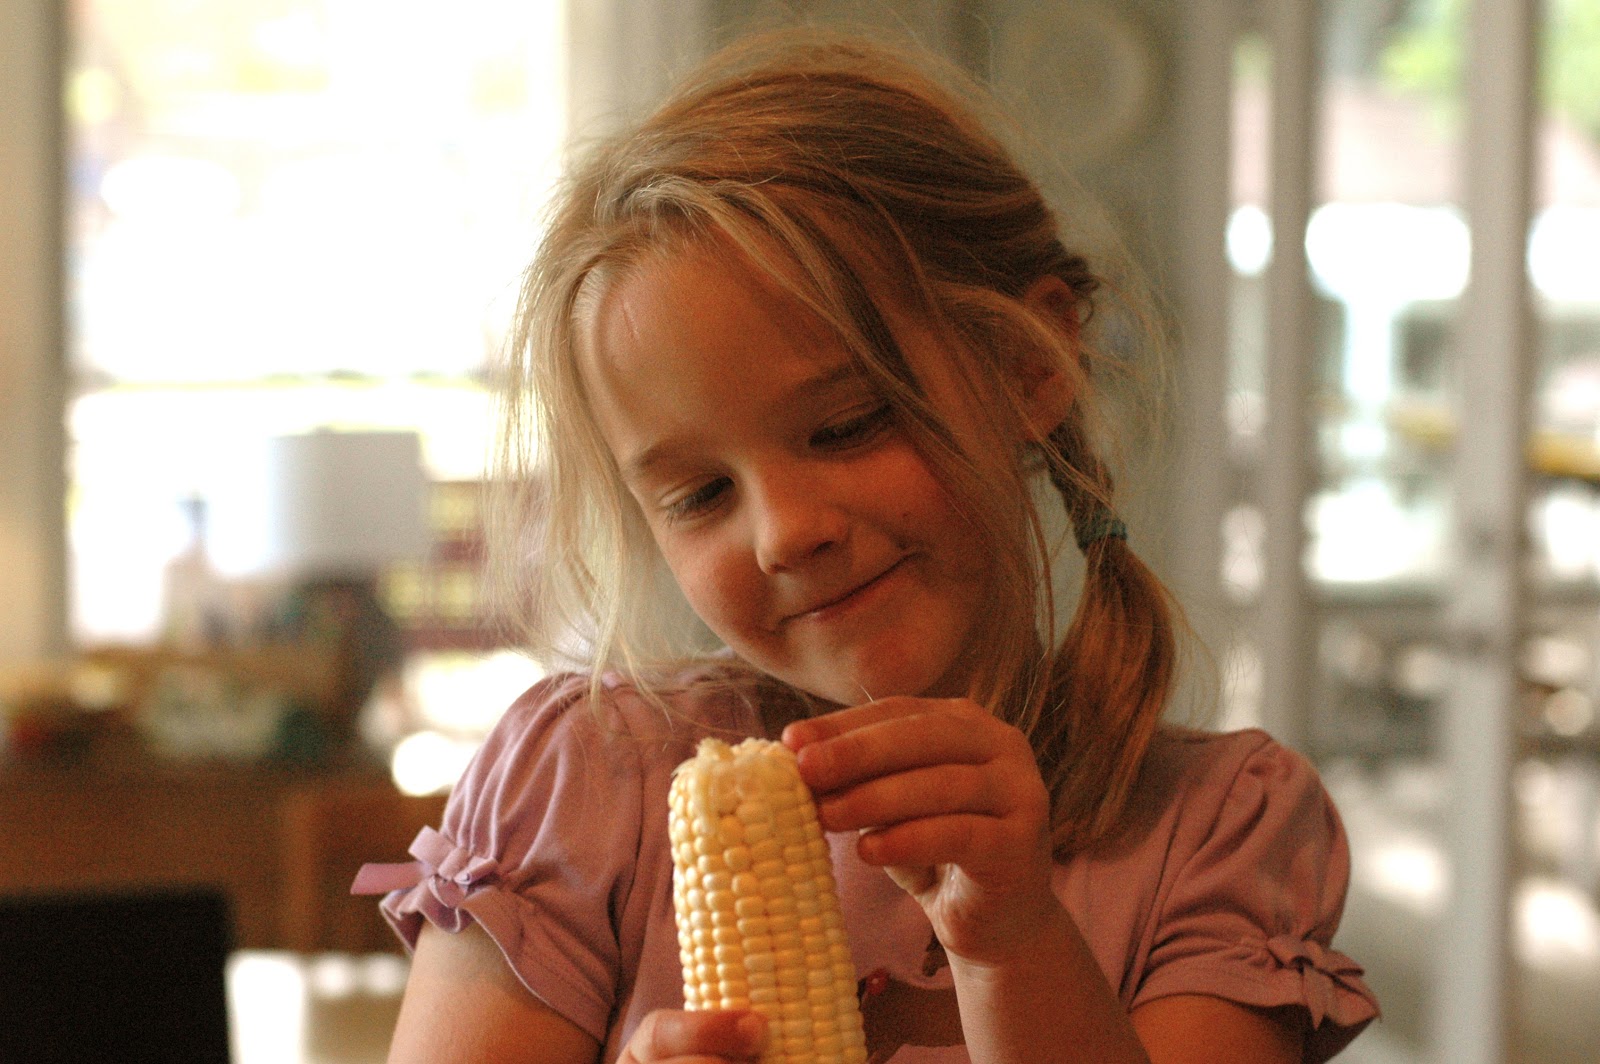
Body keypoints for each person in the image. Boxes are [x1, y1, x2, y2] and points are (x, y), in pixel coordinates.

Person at [355, 28, 1379, 1064]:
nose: (786, 532)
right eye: (702, 493)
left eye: (847, 426)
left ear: (1029, 368)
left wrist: (1013, 944)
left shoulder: (1216, 833)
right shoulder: (586, 786)